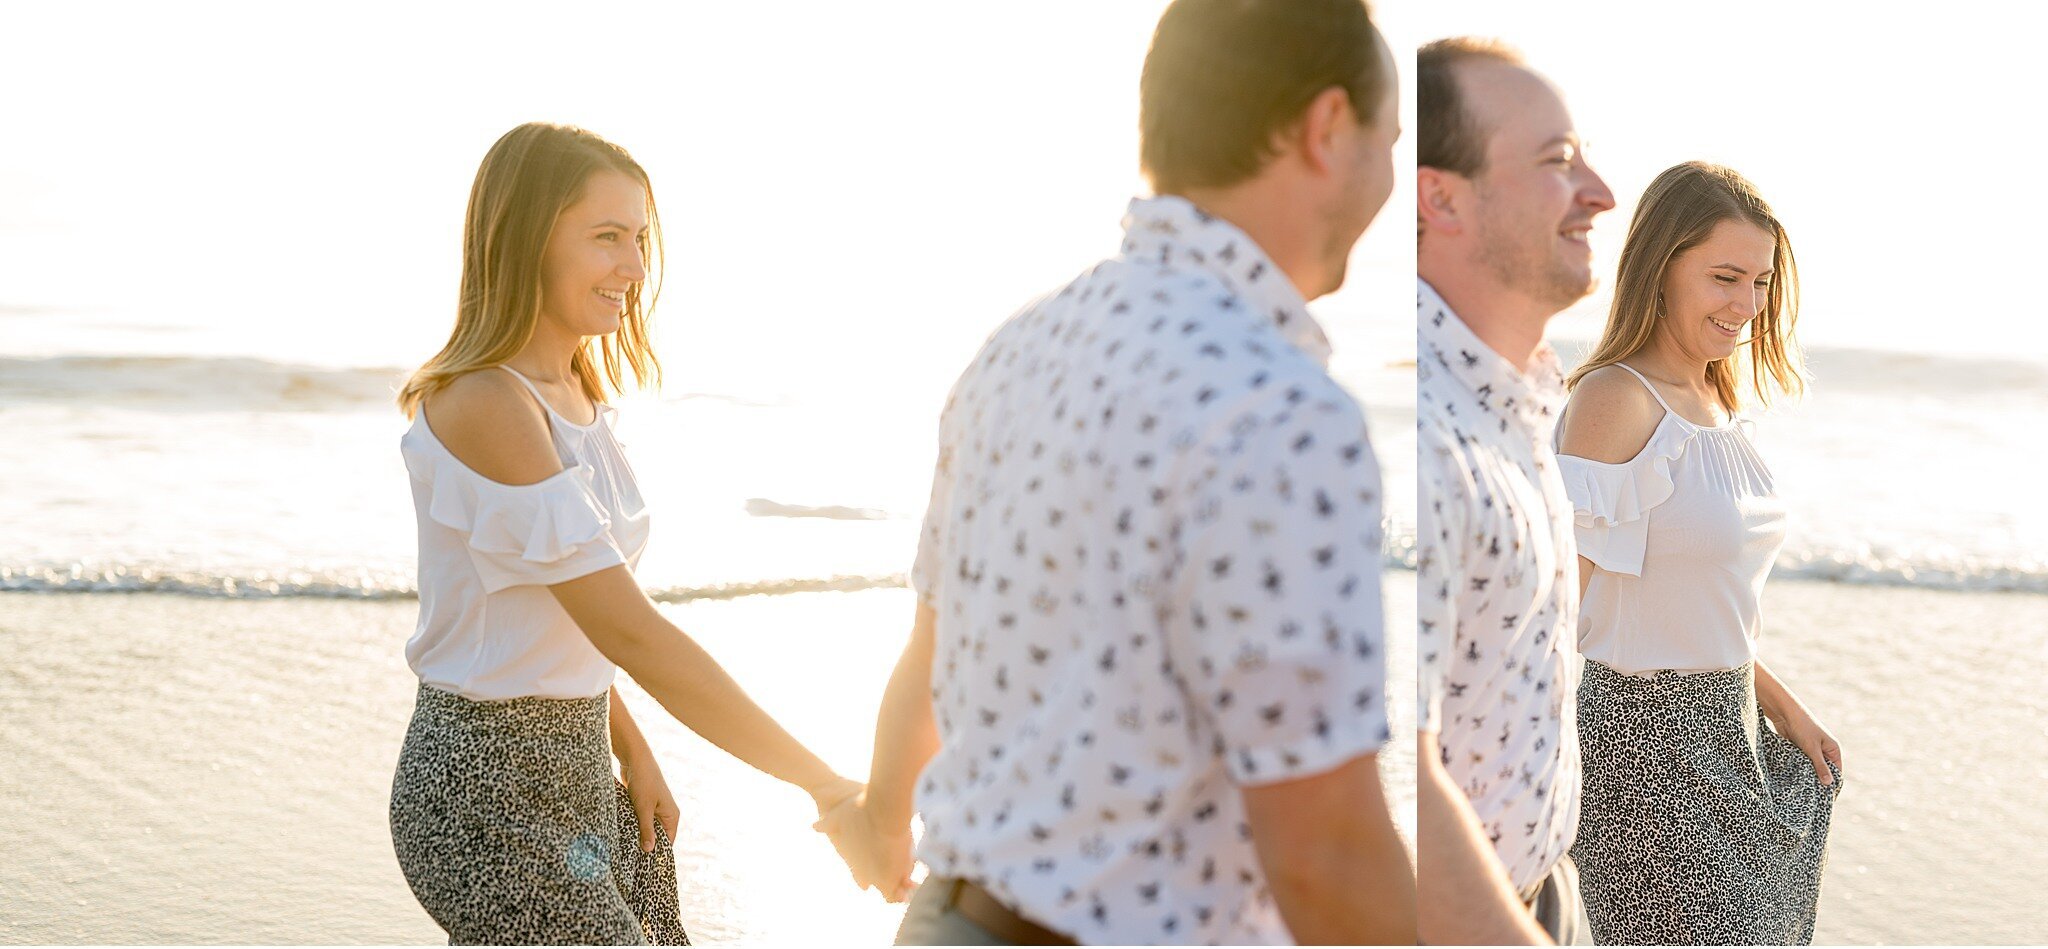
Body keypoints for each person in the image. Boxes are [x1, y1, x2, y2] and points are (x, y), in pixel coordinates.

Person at [815, 0, 1415, 943]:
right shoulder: (1278, 409)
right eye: (1390, 137)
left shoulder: (1015, 351)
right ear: (1327, 128)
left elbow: (929, 658)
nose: (1393, 176)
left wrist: (882, 813)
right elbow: (1326, 856)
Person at [387, 122, 865, 945]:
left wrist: (630, 745)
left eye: (640, 239)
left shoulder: (574, 390)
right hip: (481, 790)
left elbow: (562, 612)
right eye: (607, 237)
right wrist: (826, 786)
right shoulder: (489, 405)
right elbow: (629, 628)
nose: (636, 269)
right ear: (526, 238)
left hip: (579, 770)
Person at [1557, 160, 1840, 945]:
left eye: (1759, 281)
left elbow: (1697, 605)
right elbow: (1552, 615)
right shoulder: (1614, 400)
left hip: (1733, 730)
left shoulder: (1718, 403)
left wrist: (1782, 706)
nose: (1746, 306)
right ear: (1660, 265)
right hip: (1642, 751)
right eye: (1724, 276)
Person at [1413, 37, 1615, 945]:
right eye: (1558, 163)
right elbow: (1385, 778)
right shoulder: (1417, 434)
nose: (1602, 194)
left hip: (1543, 887)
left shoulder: (1521, 398)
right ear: (1441, 196)